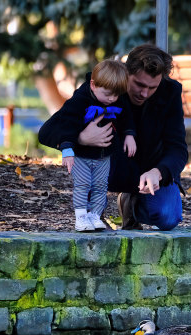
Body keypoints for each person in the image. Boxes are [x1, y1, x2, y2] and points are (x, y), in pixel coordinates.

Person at [39, 44, 187, 231]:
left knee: (168, 217)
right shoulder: (104, 86)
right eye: (139, 85)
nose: (144, 93)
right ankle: (93, 214)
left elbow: (178, 149)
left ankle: (131, 205)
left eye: (152, 87)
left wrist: (159, 172)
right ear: (126, 74)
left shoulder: (170, 93)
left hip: (150, 170)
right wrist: (81, 138)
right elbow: (48, 131)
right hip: (110, 164)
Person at [38, 59, 137, 232]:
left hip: (104, 154)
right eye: (107, 94)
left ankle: (95, 215)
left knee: (100, 186)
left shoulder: (116, 98)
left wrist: (129, 134)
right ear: (93, 84)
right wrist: (68, 148)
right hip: (82, 155)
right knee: (83, 185)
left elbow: (126, 115)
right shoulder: (80, 100)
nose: (112, 99)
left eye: (116, 95)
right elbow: (67, 123)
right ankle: (81, 217)